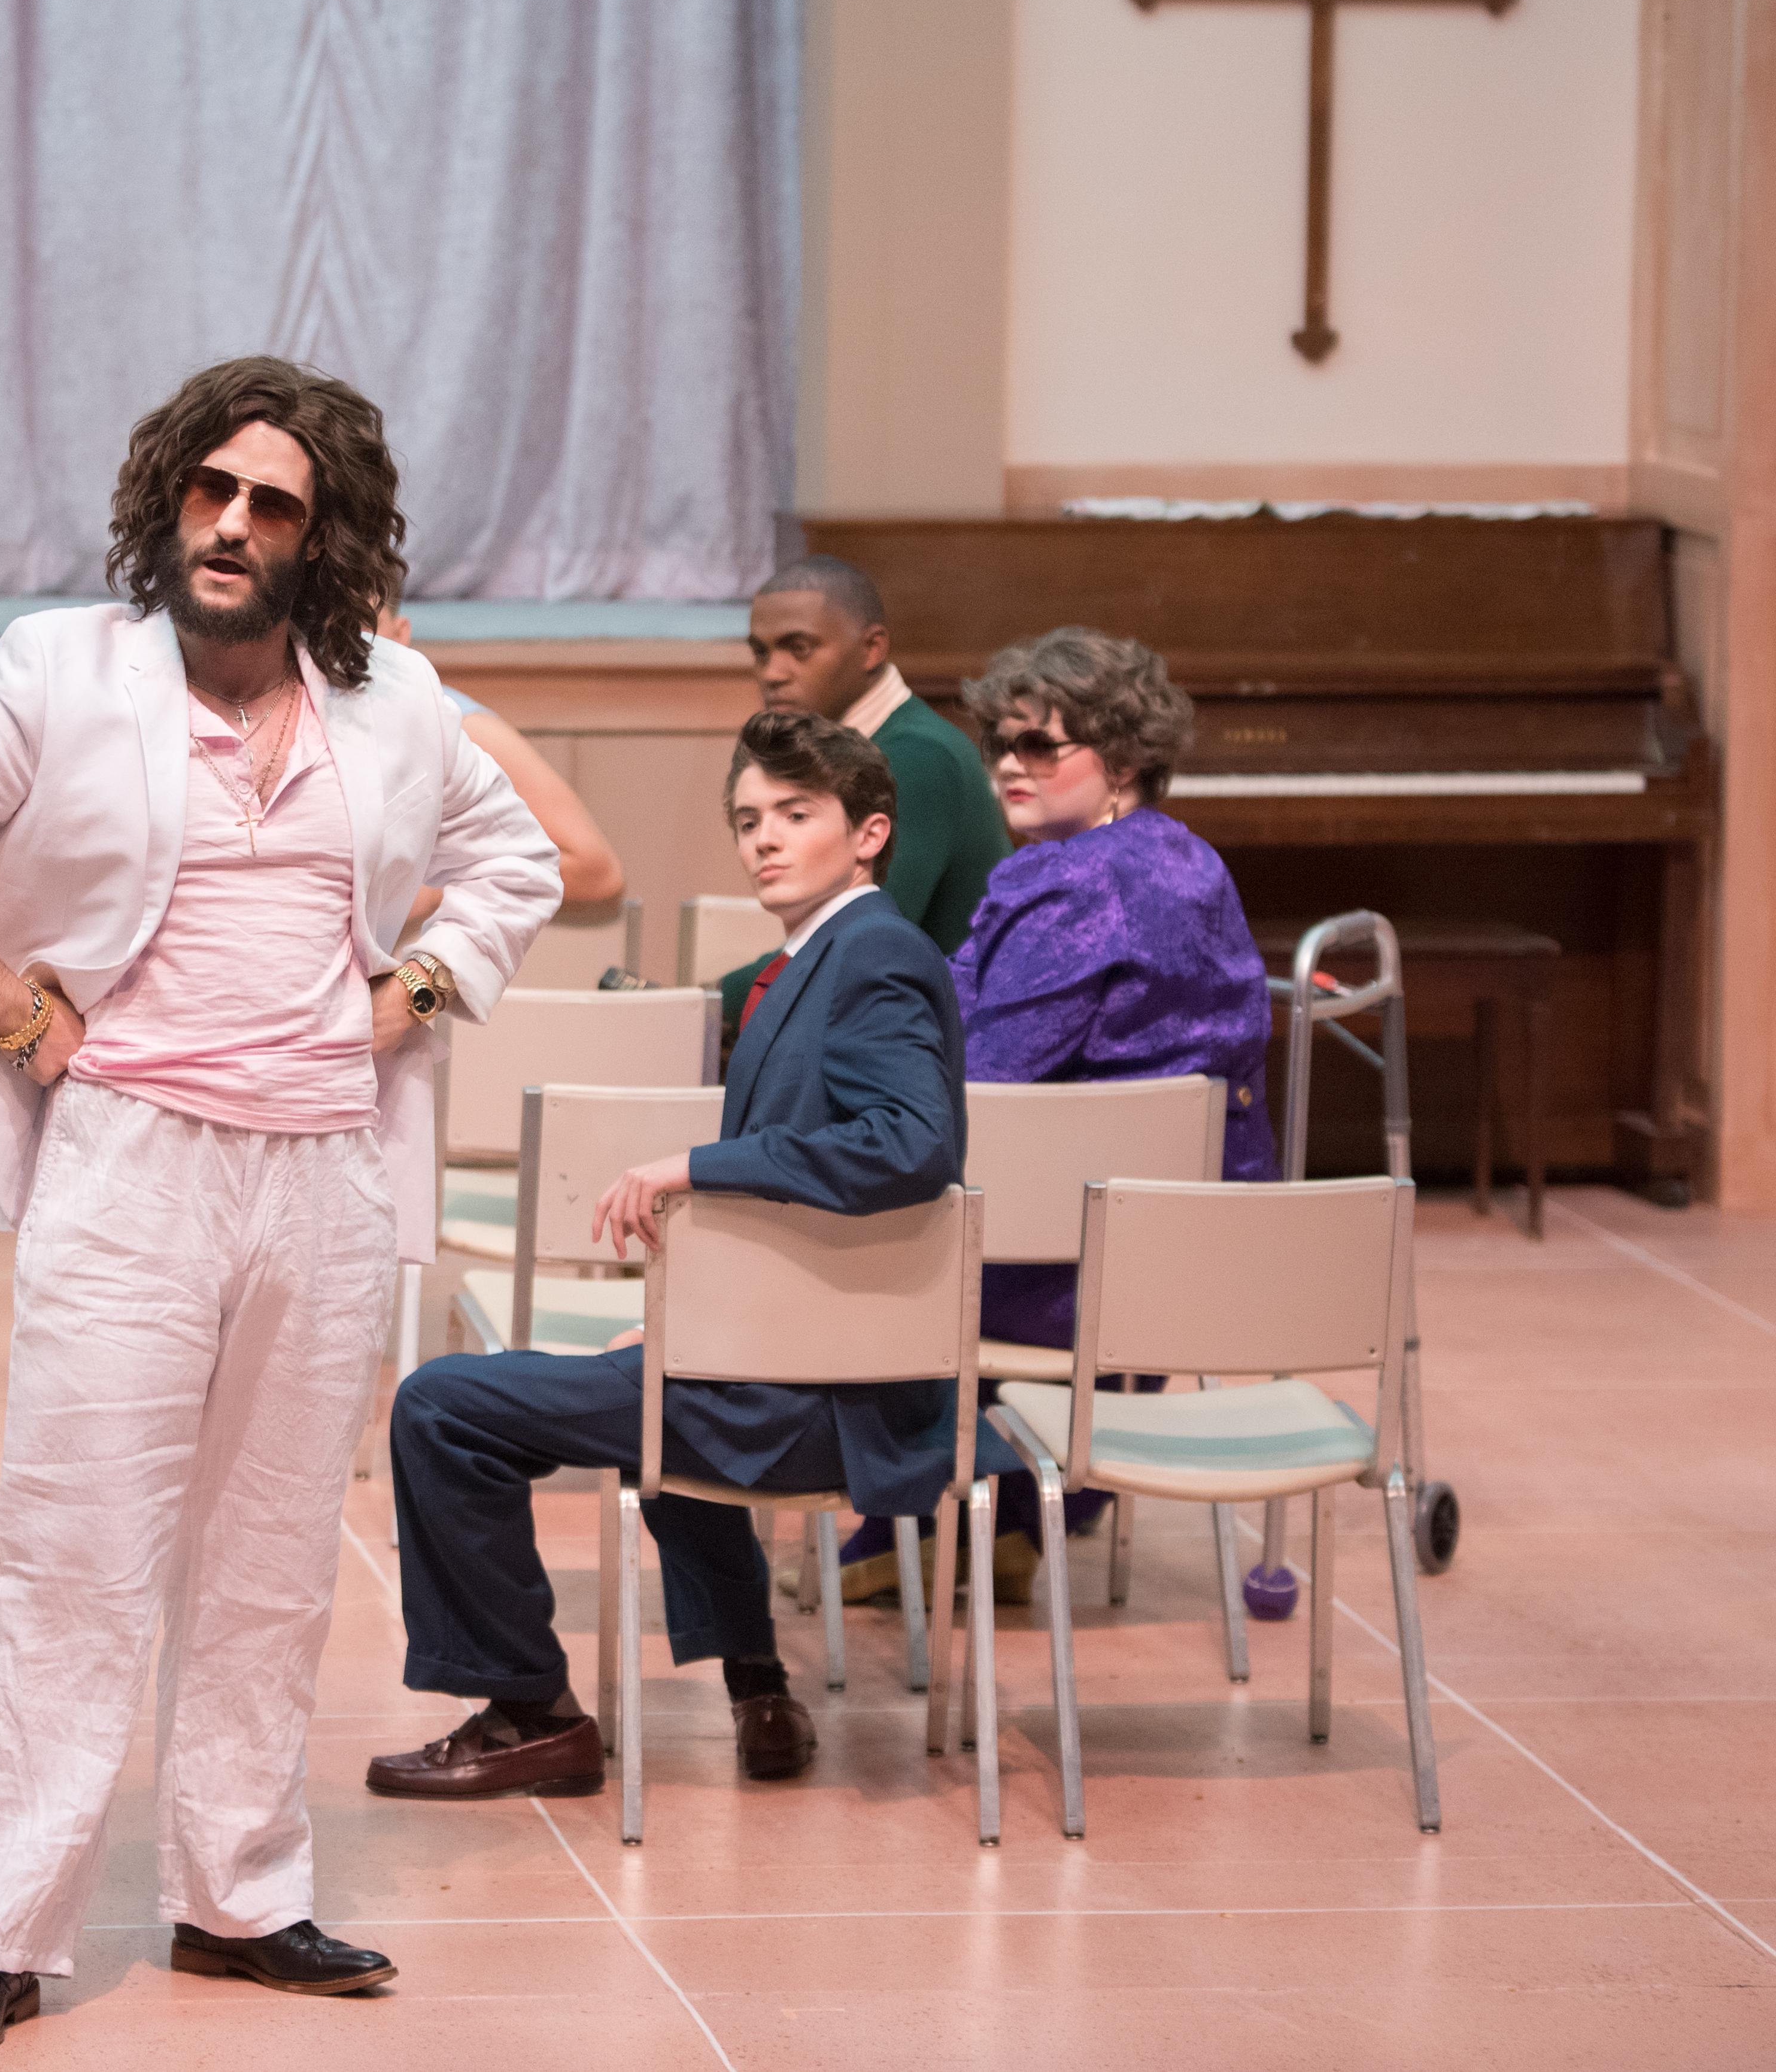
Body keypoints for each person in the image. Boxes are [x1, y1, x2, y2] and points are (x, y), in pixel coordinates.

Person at [0, 356, 558, 2053]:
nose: (230, 524)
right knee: (77, 1551)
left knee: (277, 1555)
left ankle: (243, 1892)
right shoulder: (61, 669)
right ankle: (0, 1930)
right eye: (210, 491)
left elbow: (522, 865)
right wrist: (17, 1006)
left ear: (324, 536)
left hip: (327, 1173)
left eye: (272, 503)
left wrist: (421, 988)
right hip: (131, 1157)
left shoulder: (402, 704)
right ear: (169, 501)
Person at [364, 708, 978, 1803]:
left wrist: (693, 1164)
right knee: (655, 1379)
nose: (766, 840)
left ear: (870, 833)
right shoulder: (820, 958)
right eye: (749, 820)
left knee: (441, 1406)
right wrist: (697, 1308)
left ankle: (528, 1711)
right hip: (780, 1366)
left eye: (798, 814)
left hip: (812, 1398)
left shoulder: (875, 953)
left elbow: (908, 1143)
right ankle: (757, 1690)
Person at [839, 624, 1273, 1600]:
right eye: (1002, 742)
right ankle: (1023, 1510)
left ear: (1124, 758)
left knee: (851, 1218)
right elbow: (967, 997)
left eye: (1043, 746)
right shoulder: (1185, 860)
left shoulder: (1077, 883)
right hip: (1189, 1250)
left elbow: (988, 1068)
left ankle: (923, 1513)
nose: (1008, 766)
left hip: (1068, 1269)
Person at [718, 554, 1006, 1036]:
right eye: (761, 652)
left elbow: (851, 946)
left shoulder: (916, 755)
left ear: (872, 649)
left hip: (947, 1053)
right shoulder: (864, 750)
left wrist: (704, 1000)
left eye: (799, 648)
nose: (773, 672)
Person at [376, 606, 626, 914]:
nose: (334, 643)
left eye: (358, 625)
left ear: (400, 635)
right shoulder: (311, 718)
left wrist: (427, 894)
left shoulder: (458, 725)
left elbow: (593, 872)